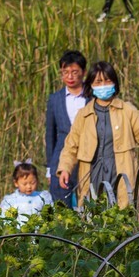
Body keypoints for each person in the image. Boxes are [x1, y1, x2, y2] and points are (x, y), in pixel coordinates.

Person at [56, 61, 139, 207]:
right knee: (91, 214)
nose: (103, 85)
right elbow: (71, 145)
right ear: (91, 85)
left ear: (114, 83)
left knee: (121, 214)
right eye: (98, 81)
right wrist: (65, 169)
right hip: (92, 174)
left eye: (107, 80)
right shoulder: (83, 115)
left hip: (119, 172)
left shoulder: (127, 111)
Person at [45, 50, 91, 203]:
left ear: (83, 72)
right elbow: (50, 135)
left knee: (89, 204)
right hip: (61, 157)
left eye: (74, 72)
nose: (69, 77)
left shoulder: (93, 98)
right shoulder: (55, 99)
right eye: (65, 72)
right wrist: (50, 169)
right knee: (61, 207)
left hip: (88, 157)